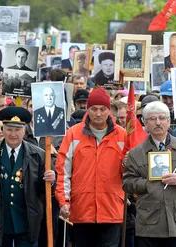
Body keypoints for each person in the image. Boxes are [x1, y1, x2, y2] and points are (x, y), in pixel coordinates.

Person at [0, 106, 55, 247]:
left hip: (27, 221)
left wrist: (51, 181)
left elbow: (47, 192)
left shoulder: (39, 155)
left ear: (24, 131)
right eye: (9, 129)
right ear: (3, 130)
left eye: (17, 130)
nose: (13, 134)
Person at [56, 88, 127, 246]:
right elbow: (63, 171)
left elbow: (128, 174)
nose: (99, 113)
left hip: (112, 208)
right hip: (82, 209)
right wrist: (64, 201)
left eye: (103, 109)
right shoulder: (73, 134)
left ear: (109, 110)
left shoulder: (122, 135)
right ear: (87, 109)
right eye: (94, 109)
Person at [123, 101, 176, 247]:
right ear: (145, 122)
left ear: (169, 121)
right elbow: (127, 183)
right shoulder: (136, 153)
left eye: (162, 118)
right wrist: (147, 183)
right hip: (148, 223)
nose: (158, 122)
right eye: (152, 119)